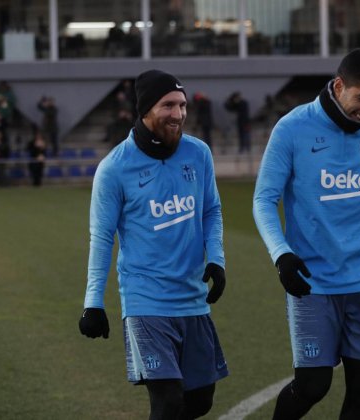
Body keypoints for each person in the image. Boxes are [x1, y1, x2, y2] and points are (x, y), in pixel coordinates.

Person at [252, 48, 360, 420]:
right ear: (339, 86)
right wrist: (281, 254)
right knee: (313, 386)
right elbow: (263, 200)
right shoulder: (292, 128)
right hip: (314, 284)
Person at [79, 69, 228, 419]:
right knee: (168, 401)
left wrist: (217, 259)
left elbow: (212, 210)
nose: (177, 114)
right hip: (146, 300)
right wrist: (93, 303)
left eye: (182, 105)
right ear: (145, 110)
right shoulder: (114, 168)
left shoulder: (199, 153)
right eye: (167, 106)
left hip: (192, 299)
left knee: (200, 400)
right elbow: (101, 238)